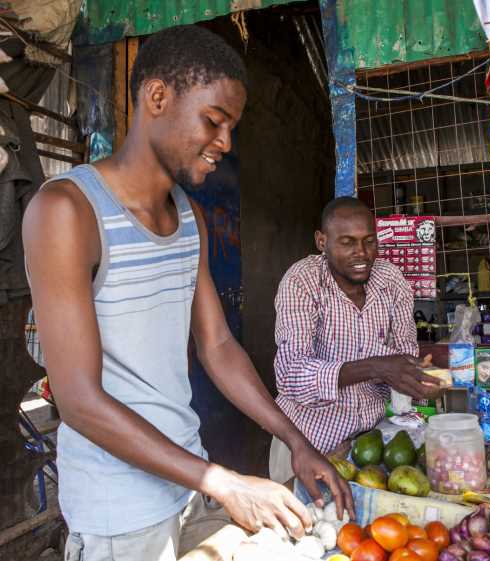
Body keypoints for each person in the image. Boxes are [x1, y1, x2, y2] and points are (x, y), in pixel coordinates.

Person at [22, 25, 352, 561]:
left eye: (231, 127)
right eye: (214, 121)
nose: (225, 143)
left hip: (187, 484)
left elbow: (217, 346)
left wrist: (295, 441)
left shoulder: (188, 217)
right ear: (157, 97)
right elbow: (79, 401)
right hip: (119, 514)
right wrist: (224, 482)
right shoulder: (67, 212)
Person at [270, 197, 441, 482]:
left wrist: (420, 381)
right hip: (303, 442)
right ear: (322, 241)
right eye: (347, 242)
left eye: (369, 241)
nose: (361, 253)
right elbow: (290, 374)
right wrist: (376, 367)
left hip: (368, 447)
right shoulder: (302, 281)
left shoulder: (391, 280)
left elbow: (404, 357)